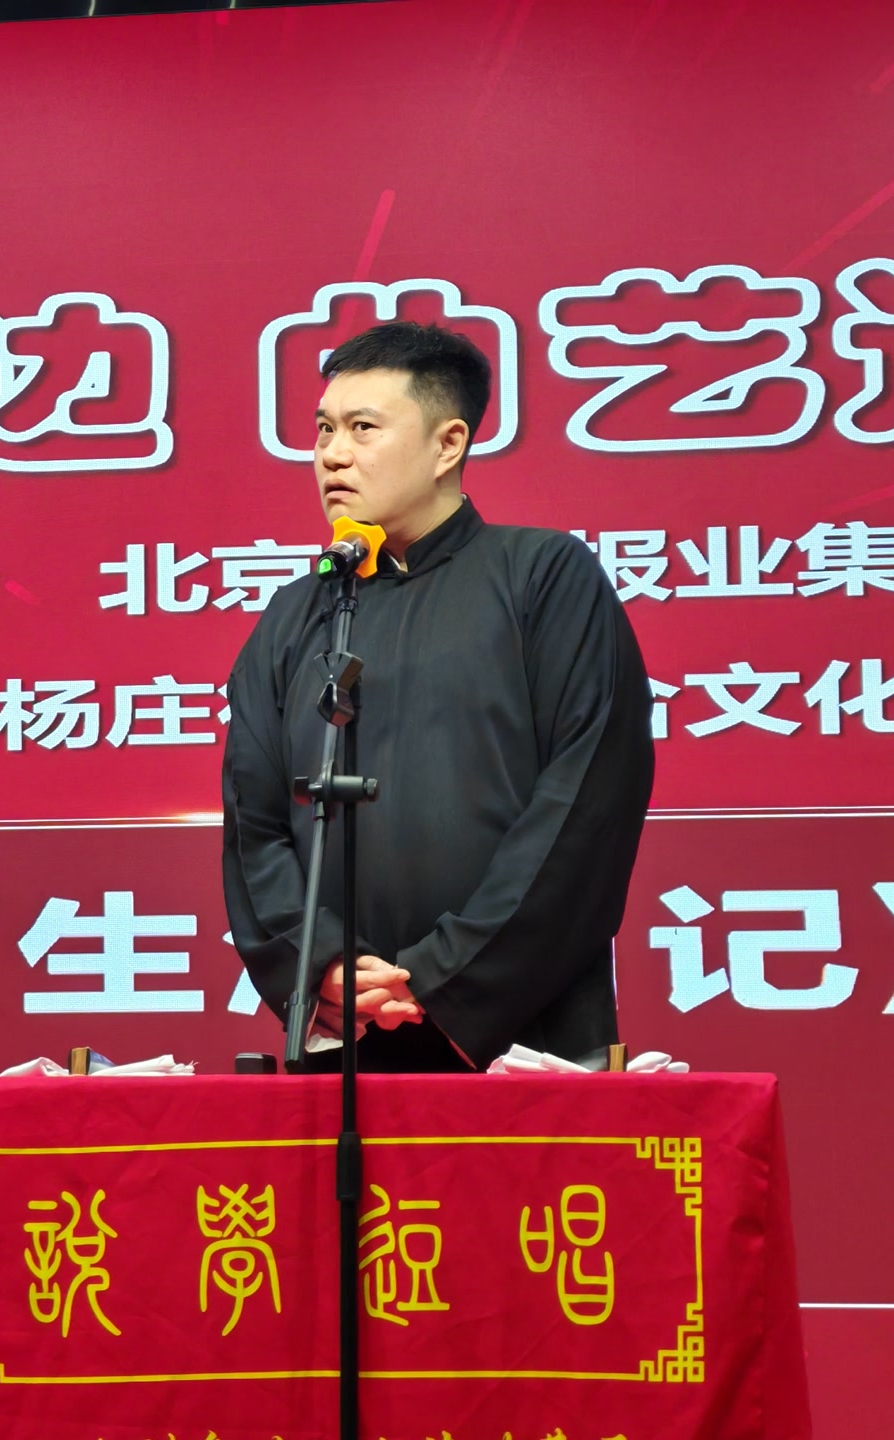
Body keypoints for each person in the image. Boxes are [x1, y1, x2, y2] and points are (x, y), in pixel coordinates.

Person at [222, 321, 654, 1072]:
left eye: (363, 428)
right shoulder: (295, 615)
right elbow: (253, 826)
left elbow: (586, 803)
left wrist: (438, 980)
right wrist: (321, 966)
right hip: (347, 1029)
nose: (332, 454)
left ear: (448, 444)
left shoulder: (543, 575)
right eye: (324, 429)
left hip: (522, 1037)